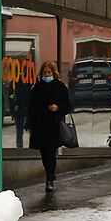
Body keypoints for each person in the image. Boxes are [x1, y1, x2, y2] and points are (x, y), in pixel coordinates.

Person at [27, 61, 74, 193]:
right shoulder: (37, 88)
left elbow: (67, 106)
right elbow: (31, 107)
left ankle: (50, 177)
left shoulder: (60, 87)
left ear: (54, 73)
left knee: (51, 152)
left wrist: (57, 108)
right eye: (45, 72)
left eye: (49, 72)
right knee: (44, 153)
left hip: (54, 125)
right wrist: (32, 123)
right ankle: (50, 175)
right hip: (40, 126)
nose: (47, 75)